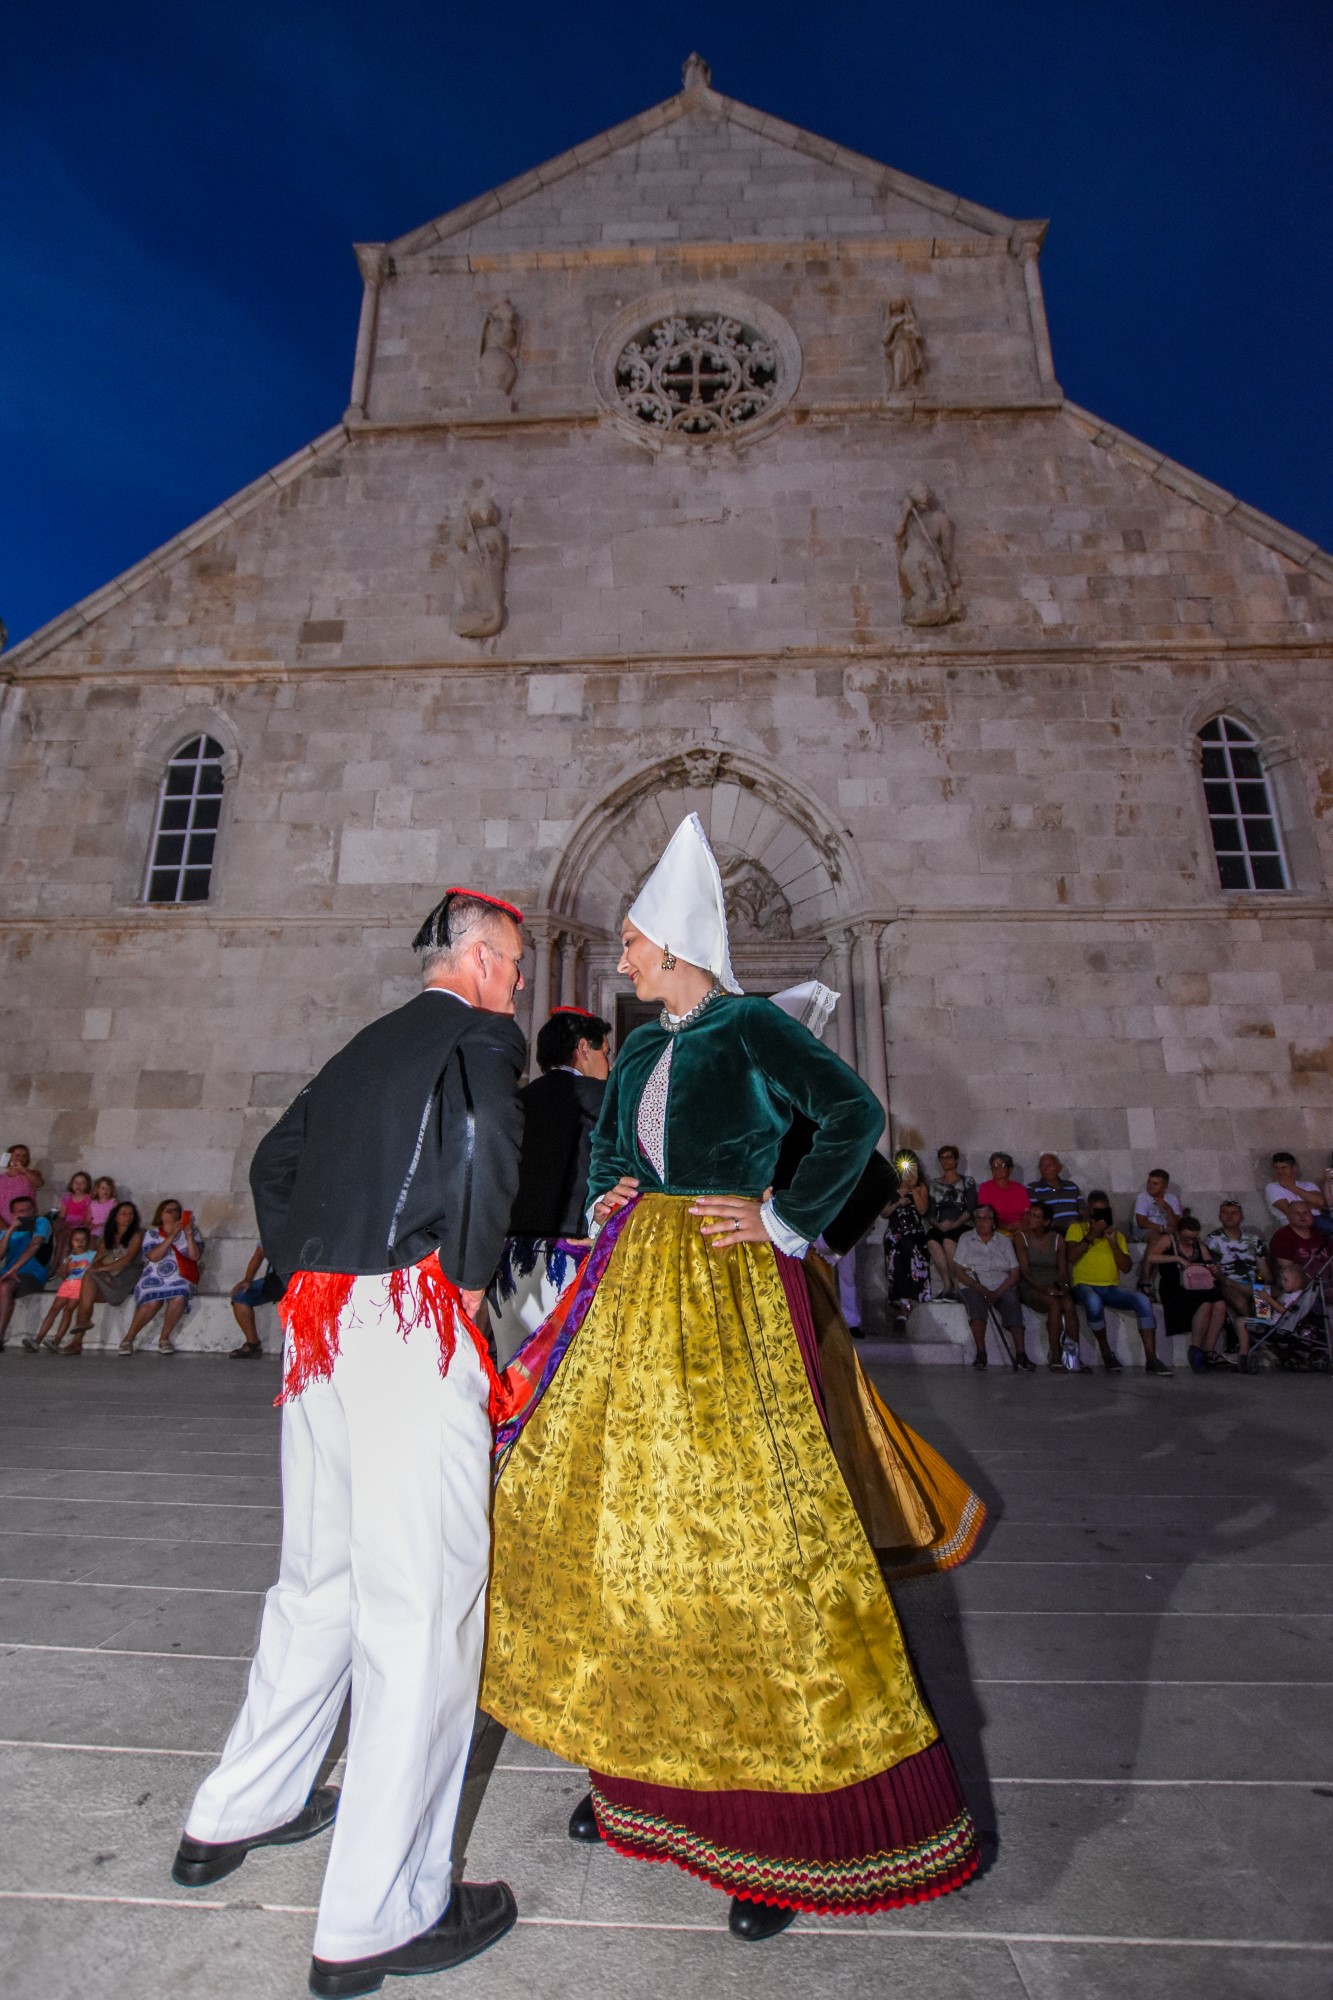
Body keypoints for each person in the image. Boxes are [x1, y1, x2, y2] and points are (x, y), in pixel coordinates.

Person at [484, 814, 984, 1942]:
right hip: (634, 1290)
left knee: (748, 1541)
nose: (618, 955)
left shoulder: (753, 1029)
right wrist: (613, 1189)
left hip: (729, 1293)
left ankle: (776, 1832)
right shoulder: (647, 1043)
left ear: (672, 939)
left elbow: (855, 1116)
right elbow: (615, 1142)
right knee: (622, 1529)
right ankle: (643, 1782)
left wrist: (783, 1217)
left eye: (630, 939)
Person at [173, 889, 527, 1995]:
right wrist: (463, 1282)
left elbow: (275, 1162)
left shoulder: (363, 1044)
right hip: (410, 1314)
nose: (517, 981)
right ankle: (382, 1909)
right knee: (420, 1606)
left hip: (318, 1330)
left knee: (317, 1577)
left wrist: (316, 1257)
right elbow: (479, 1146)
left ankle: (239, 1808)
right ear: (474, 957)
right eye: (511, 961)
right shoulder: (480, 1034)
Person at [489, 1006, 611, 1367]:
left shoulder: (517, 1101)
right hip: (569, 1254)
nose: (608, 1065)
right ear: (584, 1048)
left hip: (509, 1259)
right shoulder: (602, 1098)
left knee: (514, 1367)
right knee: (569, 1373)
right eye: (606, 1053)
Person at [1067, 1198, 1168, 1373]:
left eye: (1104, 1211)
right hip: (1083, 1285)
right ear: (1089, 1213)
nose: (1100, 1216)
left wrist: (1113, 1244)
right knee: (1093, 1301)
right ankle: (1106, 1352)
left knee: (1143, 1300)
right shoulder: (1076, 1230)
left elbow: (1127, 1268)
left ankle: (1151, 1359)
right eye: (1096, 1211)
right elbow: (1071, 1257)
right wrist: (1091, 1235)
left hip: (1110, 1288)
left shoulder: (1117, 1236)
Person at [119, 1200, 205, 1356]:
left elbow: (195, 1256)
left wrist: (189, 1236)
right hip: (154, 1275)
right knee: (152, 1302)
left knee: (178, 1297)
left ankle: (164, 1339)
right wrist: (171, 1236)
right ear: (161, 1214)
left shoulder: (192, 1231)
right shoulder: (152, 1234)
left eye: (175, 1210)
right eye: (168, 1210)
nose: (172, 1213)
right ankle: (128, 1339)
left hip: (180, 1275)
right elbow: (153, 1256)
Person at [953, 1203, 1032, 1371]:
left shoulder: (1003, 1241)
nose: (982, 1222)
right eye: (978, 1219)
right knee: (975, 1305)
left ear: (994, 1222)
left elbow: (1014, 1272)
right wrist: (979, 1287)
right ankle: (981, 1353)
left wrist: (997, 1292)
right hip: (974, 1284)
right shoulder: (966, 1239)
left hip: (1000, 1284)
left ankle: (1021, 1354)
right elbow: (959, 1271)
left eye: (986, 1218)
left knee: (1012, 1301)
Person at [1147, 1215, 1228, 1373]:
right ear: (1178, 1233)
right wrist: (1177, 1258)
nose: (1190, 1242)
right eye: (1186, 1238)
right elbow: (1152, 1257)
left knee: (1220, 1303)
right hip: (1174, 1287)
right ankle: (1195, 1348)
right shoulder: (1168, 1240)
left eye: (1193, 1238)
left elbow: (1209, 1264)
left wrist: (1214, 1269)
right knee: (1204, 1304)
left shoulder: (1199, 1246)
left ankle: (1209, 1350)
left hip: (1198, 1285)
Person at [62, 1201, 144, 1353]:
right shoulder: (108, 1236)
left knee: (87, 1282)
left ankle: (80, 1330)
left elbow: (127, 1260)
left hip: (124, 1278)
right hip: (106, 1277)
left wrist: (102, 1270)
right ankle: (77, 1339)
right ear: (115, 1217)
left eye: (130, 1214)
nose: (128, 1217)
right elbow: (97, 1259)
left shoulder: (137, 1234)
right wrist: (101, 1271)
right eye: (123, 1213)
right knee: (87, 1288)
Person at [1015, 1200, 1081, 1369]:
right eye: (1030, 1214)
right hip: (1032, 1286)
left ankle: (1073, 1357)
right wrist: (1045, 1289)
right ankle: (1056, 1355)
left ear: (1046, 1222)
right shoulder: (1022, 1238)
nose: (1030, 1219)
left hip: (1053, 1283)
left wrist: (1063, 1287)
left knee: (1068, 1304)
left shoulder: (1057, 1239)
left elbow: (1062, 1270)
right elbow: (1026, 1272)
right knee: (1054, 1304)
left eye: (1036, 1216)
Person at [1205, 1200, 1269, 1351]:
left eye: (1234, 1213)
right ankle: (1253, 1338)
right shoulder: (1213, 1240)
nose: (1229, 1216)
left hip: (1254, 1283)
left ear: (1241, 1216)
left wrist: (1261, 1285)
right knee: (1240, 1302)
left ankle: (1265, 1334)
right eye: (1225, 1213)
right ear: (1220, 1216)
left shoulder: (1254, 1239)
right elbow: (1216, 1274)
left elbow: (1264, 1271)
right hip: (1228, 1284)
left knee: (1269, 1298)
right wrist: (1237, 1285)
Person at [25, 1227, 97, 1352]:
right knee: (53, 1310)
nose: (80, 1242)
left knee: (68, 1310)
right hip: (67, 1284)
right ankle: (38, 1339)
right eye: (76, 1240)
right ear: (71, 1242)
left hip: (81, 1284)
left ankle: (56, 1340)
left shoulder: (92, 1255)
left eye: (83, 1239)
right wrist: (64, 1268)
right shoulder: (69, 1257)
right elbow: (65, 1275)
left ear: (88, 1241)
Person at [881, 1150, 932, 1326]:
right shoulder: (891, 1186)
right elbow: (885, 1212)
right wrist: (899, 1198)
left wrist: (913, 1188)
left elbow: (923, 1210)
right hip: (895, 1230)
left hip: (914, 1230)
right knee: (894, 1243)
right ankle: (900, 1299)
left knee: (910, 1244)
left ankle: (909, 1298)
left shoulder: (921, 1186)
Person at [0, 1196, 55, 1348]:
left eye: (29, 1210)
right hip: (8, 1273)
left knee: (4, 1287)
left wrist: (13, 1270)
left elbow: (35, 1246)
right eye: (21, 1211)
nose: (27, 1214)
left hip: (32, 1274)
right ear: (13, 1215)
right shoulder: (7, 1232)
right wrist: (11, 1229)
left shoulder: (41, 1223)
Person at [926, 1144, 976, 1295]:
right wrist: (938, 1225)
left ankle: (956, 1284)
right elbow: (930, 1212)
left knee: (948, 1241)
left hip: (961, 1223)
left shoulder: (967, 1181)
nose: (945, 1161)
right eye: (942, 1158)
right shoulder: (934, 1184)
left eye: (949, 1157)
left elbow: (971, 1207)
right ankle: (947, 1284)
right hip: (942, 1224)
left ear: (956, 1160)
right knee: (932, 1239)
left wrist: (956, 1223)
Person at [229, 1243, 283, 1359]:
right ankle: (252, 1344)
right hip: (274, 1281)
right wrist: (247, 1279)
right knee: (241, 1296)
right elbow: (259, 1255)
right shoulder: (271, 1230)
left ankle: (292, 1345)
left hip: (300, 1282)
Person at [1265, 1152, 1331, 1233]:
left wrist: (1290, 1186)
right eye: (1277, 1168)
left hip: (1319, 1219)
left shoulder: (1308, 1185)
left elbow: (1320, 1202)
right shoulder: (1272, 1187)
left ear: (1293, 1168)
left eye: (1284, 1167)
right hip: (1294, 1224)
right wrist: (1311, 1204)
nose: (1280, 1171)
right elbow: (1290, 1211)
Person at [1026, 1153, 1083, 1234]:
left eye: (1050, 1165)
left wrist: (1084, 1224)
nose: (1046, 1168)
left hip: (1077, 1230)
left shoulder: (1071, 1186)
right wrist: (1063, 1225)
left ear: (1059, 1168)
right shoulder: (1033, 1188)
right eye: (1043, 1165)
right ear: (1039, 1169)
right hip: (1053, 1232)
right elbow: (1035, 1217)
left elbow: (1083, 1210)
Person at [977, 1152, 1030, 1232]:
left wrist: (1022, 1225)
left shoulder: (1020, 1189)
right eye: (994, 1166)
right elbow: (985, 1214)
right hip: (995, 1228)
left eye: (1001, 1165)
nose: (997, 1169)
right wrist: (1005, 1226)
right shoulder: (985, 1187)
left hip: (1020, 1229)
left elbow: (1027, 1213)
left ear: (1010, 1169)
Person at [1270, 1201, 1325, 1277]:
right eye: (1297, 1213)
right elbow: (1289, 1272)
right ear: (1288, 1217)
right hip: (1301, 1284)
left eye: (1305, 1212)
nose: (1302, 1216)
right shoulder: (1281, 1237)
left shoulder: (1320, 1235)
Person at [1132, 1168, 1182, 1245]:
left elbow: (1176, 1224)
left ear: (1164, 1187)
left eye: (1155, 1183)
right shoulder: (1142, 1197)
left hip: (1166, 1230)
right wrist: (1163, 1229)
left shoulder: (1172, 1199)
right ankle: (1150, 1257)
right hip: (1145, 1230)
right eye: (1148, 1182)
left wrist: (1168, 1208)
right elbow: (1142, 1223)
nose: (1150, 1186)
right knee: (1156, 1237)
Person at [54, 1170, 94, 1262]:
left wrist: (78, 1223)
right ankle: (54, 1266)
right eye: (76, 1182)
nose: (79, 1185)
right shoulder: (67, 1198)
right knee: (59, 1241)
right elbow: (62, 1215)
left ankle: (63, 1265)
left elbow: (88, 1219)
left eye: (82, 1183)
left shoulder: (88, 1199)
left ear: (87, 1185)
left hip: (80, 1226)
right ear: (71, 1184)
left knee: (68, 1243)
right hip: (67, 1225)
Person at [0, 1144, 44, 1224]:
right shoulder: (1, 1178)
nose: (20, 1158)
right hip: (3, 1220)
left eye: (24, 1156)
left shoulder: (32, 1174)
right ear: (9, 1157)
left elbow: (39, 1183)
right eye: (17, 1155)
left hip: (25, 1217)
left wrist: (24, 1170)